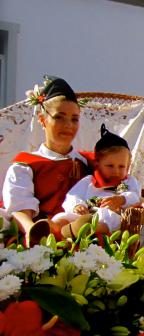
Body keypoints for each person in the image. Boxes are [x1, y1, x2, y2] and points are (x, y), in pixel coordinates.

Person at [2, 78, 90, 246]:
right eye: (59, 117)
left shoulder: (89, 163)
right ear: (43, 120)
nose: (68, 125)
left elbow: (119, 188)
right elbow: (20, 211)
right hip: (35, 243)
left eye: (74, 119)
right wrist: (34, 234)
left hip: (82, 241)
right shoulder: (25, 165)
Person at [57, 124, 141, 237]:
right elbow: (73, 195)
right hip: (85, 214)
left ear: (128, 165)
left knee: (111, 220)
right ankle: (51, 228)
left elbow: (136, 196)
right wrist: (77, 206)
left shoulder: (129, 181)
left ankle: (87, 229)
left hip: (112, 214)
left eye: (121, 167)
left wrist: (122, 199)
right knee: (63, 217)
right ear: (98, 163)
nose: (116, 171)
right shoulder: (89, 181)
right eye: (110, 166)